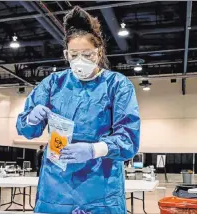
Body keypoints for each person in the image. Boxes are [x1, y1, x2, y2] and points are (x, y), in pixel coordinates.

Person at [16, 6, 140, 214]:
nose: (80, 61)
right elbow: (26, 130)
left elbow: (128, 139)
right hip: (56, 190)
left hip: (100, 190)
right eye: (74, 55)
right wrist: (31, 119)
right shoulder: (53, 83)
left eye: (87, 55)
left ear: (99, 52)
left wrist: (93, 150)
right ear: (66, 54)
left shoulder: (117, 85)